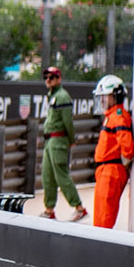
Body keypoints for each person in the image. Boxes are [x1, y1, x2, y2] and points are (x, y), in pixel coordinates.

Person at [36, 65, 87, 222]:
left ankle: (79, 207)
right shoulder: (53, 95)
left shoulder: (62, 96)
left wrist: (71, 141)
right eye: (46, 77)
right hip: (50, 140)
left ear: (59, 79)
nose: (48, 80)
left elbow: (67, 122)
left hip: (58, 140)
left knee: (61, 175)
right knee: (47, 176)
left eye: (51, 77)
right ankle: (49, 209)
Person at [92, 74, 134, 229]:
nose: (103, 100)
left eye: (106, 96)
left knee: (103, 219)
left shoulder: (118, 117)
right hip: (106, 170)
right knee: (101, 216)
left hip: (110, 171)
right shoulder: (113, 116)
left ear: (115, 96)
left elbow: (128, 148)